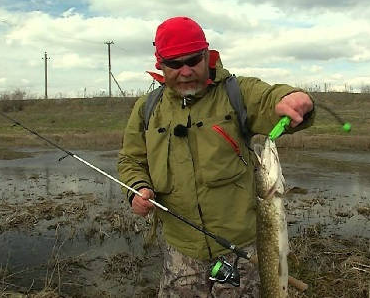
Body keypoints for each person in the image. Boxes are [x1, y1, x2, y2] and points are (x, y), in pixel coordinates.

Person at [118, 16, 314, 297]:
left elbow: (269, 98)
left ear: (207, 55)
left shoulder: (235, 92)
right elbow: (131, 159)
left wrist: (292, 98)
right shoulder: (147, 108)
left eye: (193, 60)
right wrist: (137, 188)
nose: (185, 71)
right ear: (160, 64)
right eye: (174, 64)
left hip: (240, 250)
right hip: (181, 250)